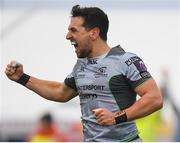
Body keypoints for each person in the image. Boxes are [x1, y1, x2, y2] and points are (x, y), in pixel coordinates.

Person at [5, 5, 163, 142]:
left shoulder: (126, 60)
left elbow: (154, 98)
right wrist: (22, 78)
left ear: (93, 33)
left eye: (73, 30)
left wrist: (116, 117)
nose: (67, 36)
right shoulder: (81, 65)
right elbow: (60, 92)